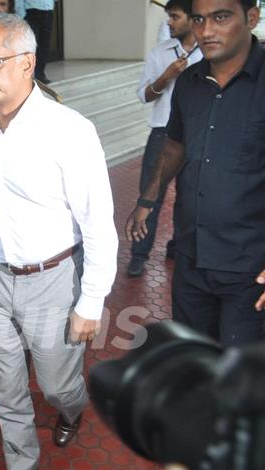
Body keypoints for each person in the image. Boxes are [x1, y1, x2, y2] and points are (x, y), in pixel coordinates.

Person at [0, 14, 117, 470]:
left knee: (56, 384)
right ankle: (22, 466)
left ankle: (71, 408)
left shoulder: (69, 130)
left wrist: (91, 302)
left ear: (28, 62)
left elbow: (98, 223)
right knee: (5, 383)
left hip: (52, 280)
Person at [125, 0, 265, 347]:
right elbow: (175, 146)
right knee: (194, 362)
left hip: (249, 267)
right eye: (199, 19)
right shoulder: (189, 81)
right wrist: (148, 198)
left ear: (251, 17)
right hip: (191, 257)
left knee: (239, 376)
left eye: (220, 18)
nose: (205, 31)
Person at [126, 0, 202, 278]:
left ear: (193, 19)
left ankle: (179, 248)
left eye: (175, 17)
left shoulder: (208, 54)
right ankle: (139, 255)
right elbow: (143, 95)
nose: (169, 22)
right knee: (150, 196)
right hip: (162, 134)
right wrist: (165, 77)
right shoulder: (160, 53)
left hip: (197, 135)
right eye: (169, 16)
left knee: (190, 197)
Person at [15, 0, 56, 84]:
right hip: (32, 12)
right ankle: (27, 75)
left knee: (44, 45)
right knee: (30, 46)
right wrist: (21, 15)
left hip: (48, 11)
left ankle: (40, 74)